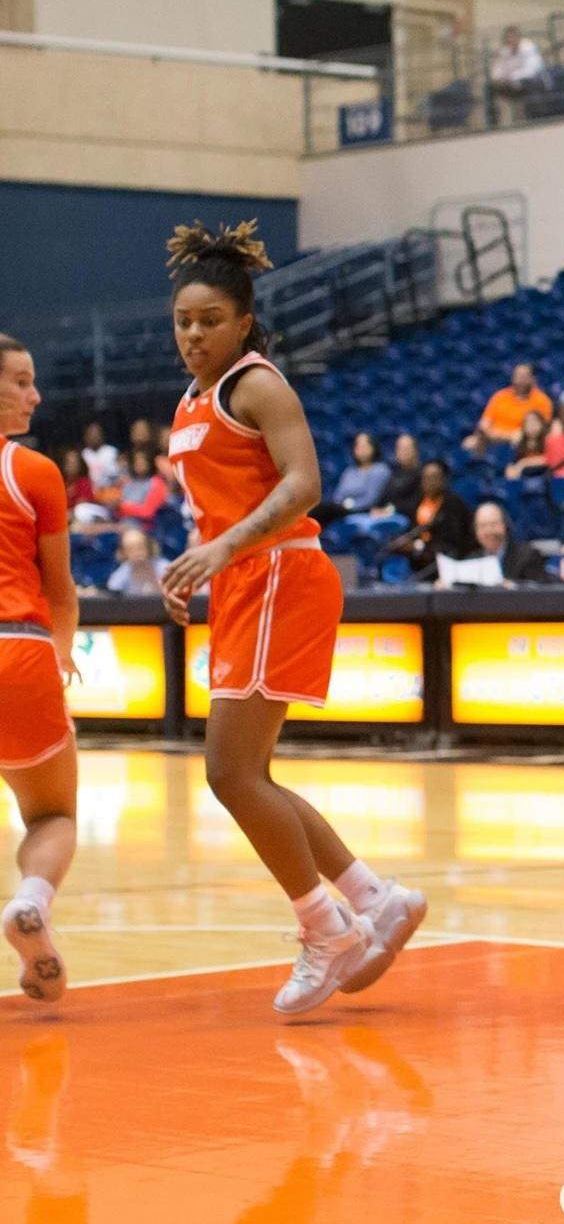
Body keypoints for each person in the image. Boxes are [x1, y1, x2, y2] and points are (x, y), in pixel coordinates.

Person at [155, 223, 423, 1014]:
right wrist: (196, 565)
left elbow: (304, 485)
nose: (194, 333)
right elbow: (223, 503)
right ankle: (372, 898)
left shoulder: (257, 383)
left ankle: (329, 928)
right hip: (246, 578)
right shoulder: (190, 400)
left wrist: (223, 548)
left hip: (280, 573)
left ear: (241, 321)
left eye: (209, 319)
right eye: (183, 321)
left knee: (228, 771)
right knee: (249, 773)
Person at [0, 337, 80, 1004]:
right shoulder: (34, 471)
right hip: (17, 645)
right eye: (22, 381)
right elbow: (60, 590)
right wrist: (63, 653)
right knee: (53, 813)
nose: (36, 394)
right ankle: (30, 899)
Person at [390, 459, 474, 578]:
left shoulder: (453, 504)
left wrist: (420, 546)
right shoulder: (417, 502)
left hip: (447, 564)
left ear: (443, 479)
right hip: (418, 562)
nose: (429, 482)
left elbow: (455, 542)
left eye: (434, 477)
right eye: (426, 477)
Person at [313, 432, 390, 528]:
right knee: (320, 509)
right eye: (358, 445)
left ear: (373, 447)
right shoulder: (350, 471)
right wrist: (342, 505)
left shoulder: (380, 469)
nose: (360, 449)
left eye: (364, 445)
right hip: (341, 508)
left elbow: (371, 499)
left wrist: (350, 506)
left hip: (363, 509)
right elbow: (338, 495)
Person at [467, 501, 548, 584]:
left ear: (505, 525)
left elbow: (538, 590)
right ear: (475, 531)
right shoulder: (471, 561)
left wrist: (511, 586)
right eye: (482, 526)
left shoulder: (528, 556)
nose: (488, 531)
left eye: (493, 524)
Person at [474, 362, 552, 446]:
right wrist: (506, 435)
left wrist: (516, 435)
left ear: (533, 379)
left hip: (522, 441)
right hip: (494, 439)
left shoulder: (543, 401)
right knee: (471, 442)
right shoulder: (500, 396)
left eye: (524, 376)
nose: (520, 380)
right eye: (517, 376)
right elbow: (484, 424)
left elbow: (542, 430)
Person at [488, 26, 546, 126]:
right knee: (489, 87)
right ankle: (492, 123)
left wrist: (511, 77)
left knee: (529, 84)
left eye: (513, 37)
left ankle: (536, 119)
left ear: (518, 38)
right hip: (512, 83)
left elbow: (530, 70)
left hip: (533, 81)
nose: (510, 40)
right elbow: (497, 70)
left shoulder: (529, 47)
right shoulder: (504, 51)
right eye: (508, 38)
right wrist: (498, 78)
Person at [115, 448, 170, 530]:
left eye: (143, 462)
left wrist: (122, 507)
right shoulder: (128, 484)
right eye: (137, 461)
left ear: (150, 463)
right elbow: (119, 513)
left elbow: (148, 512)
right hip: (123, 524)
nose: (139, 464)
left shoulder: (157, 483)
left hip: (145, 528)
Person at [106, 526, 168, 595]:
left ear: (147, 546)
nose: (137, 552)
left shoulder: (164, 567)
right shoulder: (123, 572)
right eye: (131, 549)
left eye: (140, 546)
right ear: (124, 553)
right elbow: (112, 590)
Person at [376, 433, 422, 518]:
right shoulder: (394, 472)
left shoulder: (421, 474)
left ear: (416, 451)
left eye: (406, 449)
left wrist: (391, 510)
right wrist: (377, 508)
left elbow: (416, 504)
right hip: (387, 518)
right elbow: (384, 497)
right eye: (399, 448)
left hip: (407, 520)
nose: (402, 452)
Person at [504, 409, 552, 479]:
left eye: (535, 421)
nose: (532, 425)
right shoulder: (518, 443)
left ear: (542, 424)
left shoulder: (548, 441)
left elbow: (548, 459)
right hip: (523, 479)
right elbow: (510, 465)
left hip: (543, 477)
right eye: (528, 422)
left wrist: (524, 463)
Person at [79, 421, 120, 494]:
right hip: (89, 493)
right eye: (91, 434)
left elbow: (119, 476)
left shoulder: (112, 452)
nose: (94, 436)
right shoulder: (83, 454)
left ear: (102, 435)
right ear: (86, 436)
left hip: (109, 492)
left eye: (96, 433)